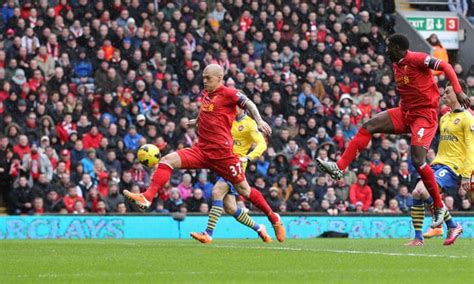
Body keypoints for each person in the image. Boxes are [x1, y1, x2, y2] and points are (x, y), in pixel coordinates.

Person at [316, 34, 470, 227]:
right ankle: (339, 168)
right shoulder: (396, 63)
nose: (386, 49)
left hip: (424, 115)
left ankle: (439, 207)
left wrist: (459, 91)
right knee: (367, 127)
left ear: (398, 47)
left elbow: (446, 67)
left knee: (417, 160)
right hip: (405, 113)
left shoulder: (417, 58)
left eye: (389, 46)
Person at [124, 64, 284, 241]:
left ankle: (273, 218)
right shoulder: (207, 94)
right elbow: (206, 112)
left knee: (244, 191)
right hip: (201, 150)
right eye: (203, 77)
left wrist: (259, 120)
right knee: (167, 160)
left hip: (224, 155)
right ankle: (147, 197)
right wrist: (196, 122)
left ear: (219, 78)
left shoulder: (229, 93)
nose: (204, 80)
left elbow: (250, 103)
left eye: (208, 78)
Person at [191, 106, 273, 244]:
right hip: (222, 164)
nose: (230, 108)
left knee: (216, 191)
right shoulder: (227, 119)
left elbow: (261, 144)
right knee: (230, 208)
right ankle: (259, 228)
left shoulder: (249, 123)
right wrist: (199, 122)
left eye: (233, 106)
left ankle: (208, 234)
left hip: (236, 165)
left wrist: (248, 157)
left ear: (242, 107)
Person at [406, 82, 473, 246]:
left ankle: (450, 225)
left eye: (448, 92)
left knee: (422, 190)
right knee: (416, 193)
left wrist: (466, 174)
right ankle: (419, 238)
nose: (444, 96)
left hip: (453, 167)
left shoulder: (467, 118)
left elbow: (471, 148)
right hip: (438, 163)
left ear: (459, 93)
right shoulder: (444, 118)